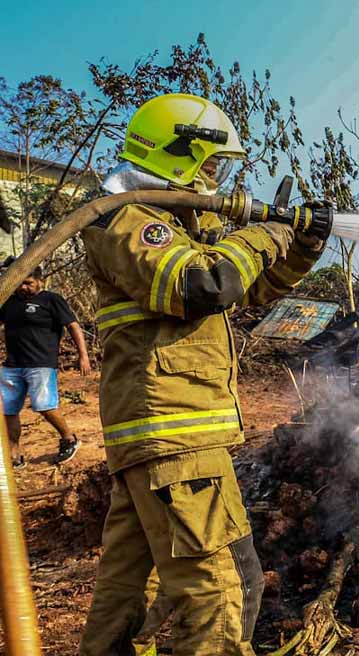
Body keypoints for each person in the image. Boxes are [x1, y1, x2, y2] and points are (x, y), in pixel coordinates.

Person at [78, 93, 325, 656]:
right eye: (211, 163)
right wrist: (270, 231)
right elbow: (204, 286)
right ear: (176, 155)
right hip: (173, 438)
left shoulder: (176, 220)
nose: (217, 177)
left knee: (125, 596)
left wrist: (302, 241)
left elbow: (249, 287)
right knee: (223, 594)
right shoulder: (124, 219)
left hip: (161, 440)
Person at [0, 265, 91, 467]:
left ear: (40, 280)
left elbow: (73, 326)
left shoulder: (51, 300)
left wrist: (83, 355)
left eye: (28, 283)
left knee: (44, 406)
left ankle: (69, 439)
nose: (23, 287)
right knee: (8, 410)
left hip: (41, 364)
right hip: (12, 365)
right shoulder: (8, 302)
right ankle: (14, 455)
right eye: (19, 283)